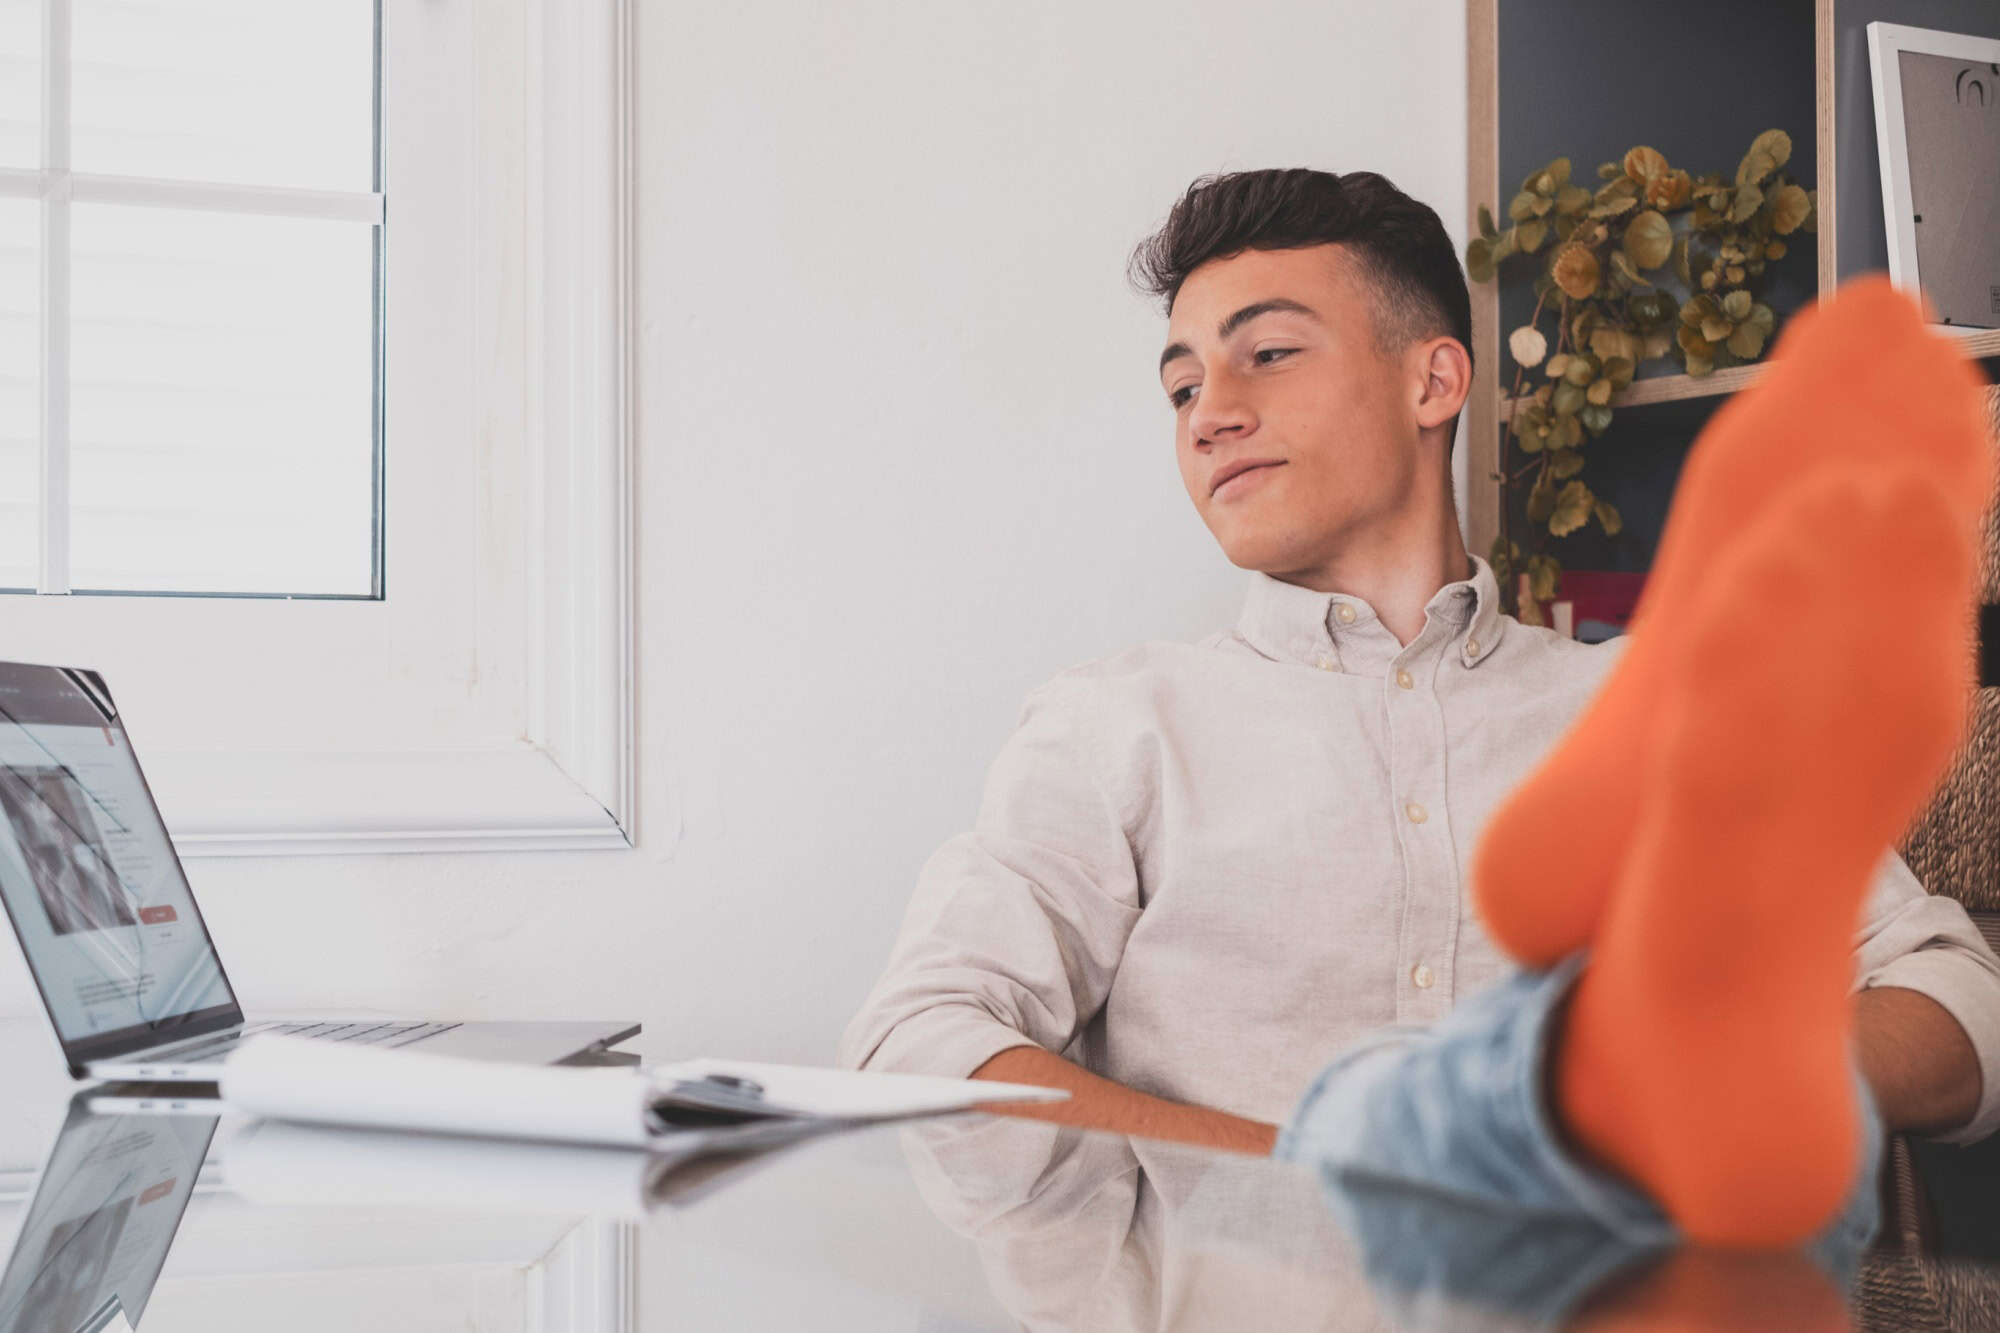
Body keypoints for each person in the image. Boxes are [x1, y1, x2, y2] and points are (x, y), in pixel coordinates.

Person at [837, 167, 2000, 1244]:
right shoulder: (1114, 727)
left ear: (1432, 380)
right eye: (1182, 383)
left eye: (1267, 356)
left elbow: (1954, 1001)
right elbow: (918, 1044)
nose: (1206, 413)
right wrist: (1304, 1171)